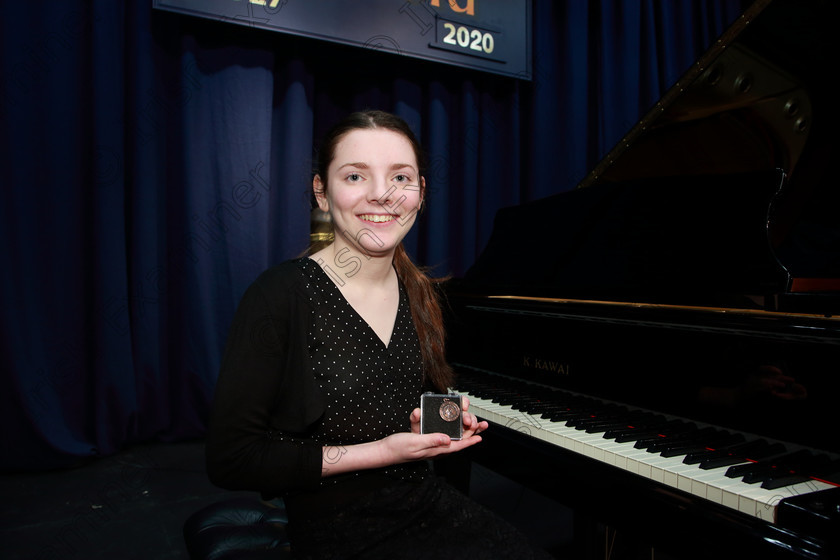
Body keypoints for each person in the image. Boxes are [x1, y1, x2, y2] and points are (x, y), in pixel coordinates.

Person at [205, 110, 555, 559]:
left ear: (420, 193)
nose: (381, 195)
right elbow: (232, 458)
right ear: (322, 193)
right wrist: (385, 451)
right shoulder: (281, 295)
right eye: (355, 175)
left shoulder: (423, 293)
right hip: (337, 530)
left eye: (400, 177)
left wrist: (439, 424)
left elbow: (419, 395)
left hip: (424, 503)